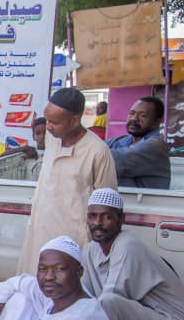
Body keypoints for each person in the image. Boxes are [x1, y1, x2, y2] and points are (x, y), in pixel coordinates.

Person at [16, 87, 117, 274]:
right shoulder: (51, 137)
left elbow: (106, 205)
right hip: (40, 229)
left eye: (54, 122)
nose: (48, 127)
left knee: (67, 285)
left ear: (74, 120)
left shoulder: (98, 151)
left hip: (73, 238)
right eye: (47, 120)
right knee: (34, 281)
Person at [82, 188, 184, 320]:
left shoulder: (127, 245)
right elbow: (83, 296)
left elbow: (110, 301)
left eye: (107, 217)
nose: (98, 223)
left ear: (121, 220)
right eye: (92, 216)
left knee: (108, 303)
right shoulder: (91, 249)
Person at [106, 97, 171, 189]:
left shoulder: (156, 146)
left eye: (143, 115)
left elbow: (110, 160)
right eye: (132, 113)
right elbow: (96, 147)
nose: (134, 118)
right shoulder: (121, 141)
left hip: (144, 199)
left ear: (158, 121)